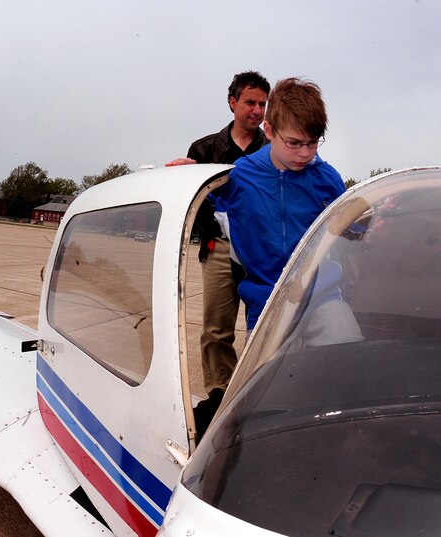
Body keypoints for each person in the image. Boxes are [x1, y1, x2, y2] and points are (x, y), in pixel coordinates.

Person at [166, 71, 270, 435]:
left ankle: (257, 393)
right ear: (232, 102)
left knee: (263, 325)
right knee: (216, 328)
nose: (257, 111)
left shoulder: (272, 149)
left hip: (261, 248)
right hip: (220, 248)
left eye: (262, 104)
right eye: (250, 103)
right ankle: (220, 394)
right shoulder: (205, 149)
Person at [215, 77, 346, 335]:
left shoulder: (327, 179)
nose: (305, 153)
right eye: (294, 143)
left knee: (347, 355)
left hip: (322, 299)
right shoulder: (238, 176)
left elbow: (352, 230)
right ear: (269, 130)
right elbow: (200, 204)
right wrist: (187, 176)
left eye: (313, 142)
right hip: (266, 306)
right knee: (262, 376)